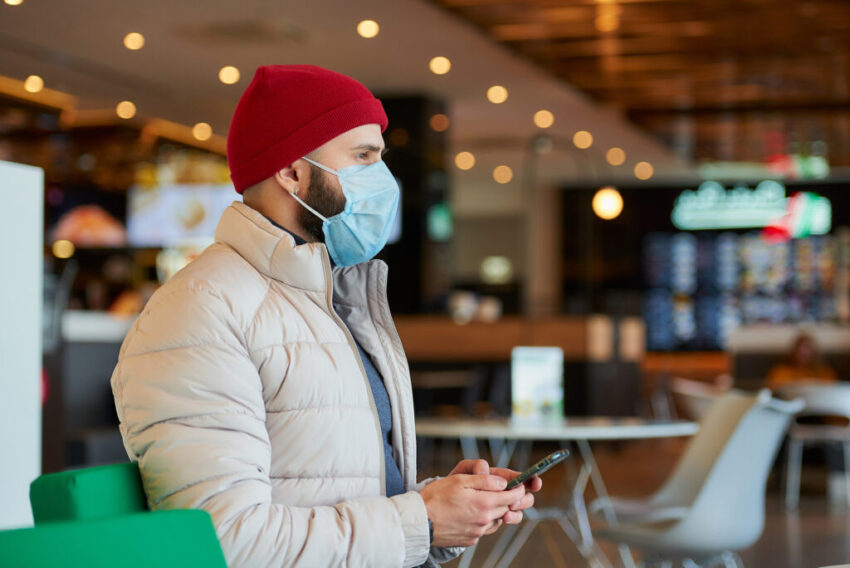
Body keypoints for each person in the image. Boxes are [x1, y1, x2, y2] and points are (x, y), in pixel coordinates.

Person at [110, 65, 540, 568]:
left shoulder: (328, 298)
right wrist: (418, 521)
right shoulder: (198, 312)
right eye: (362, 157)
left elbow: (330, 487)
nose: (381, 179)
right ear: (291, 171)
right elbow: (223, 541)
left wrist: (441, 506)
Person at [766, 332, 837, 389]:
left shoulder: (825, 372)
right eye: (800, 348)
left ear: (814, 351)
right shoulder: (781, 371)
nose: (803, 352)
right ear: (793, 351)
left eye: (807, 348)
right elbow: (773, 389)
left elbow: (832, 391)